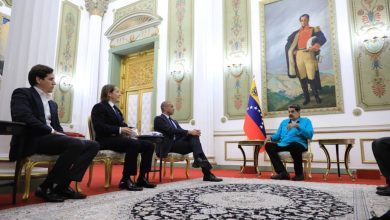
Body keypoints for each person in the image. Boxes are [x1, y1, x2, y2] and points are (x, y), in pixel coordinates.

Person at [10, 64, 99, 202]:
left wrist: (61, 134)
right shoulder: (22, 93)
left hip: (50, 139)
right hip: (32, 139)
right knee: (75, 143)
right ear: (39, 79)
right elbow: (24, 117)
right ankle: (46, 187)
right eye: (51, 79)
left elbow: (57, 126)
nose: (54, 82)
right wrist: (51, 131)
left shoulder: (53, 104)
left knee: (93, 145)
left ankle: (62, 185)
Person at [91, 84, 156, 191]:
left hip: (117, 139)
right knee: (133, 144)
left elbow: (122, 125)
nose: (120, 94)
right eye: (117, 92)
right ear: (109, 93)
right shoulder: (99, 107)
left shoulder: (116, 110)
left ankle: (142, 178)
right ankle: (125, 180)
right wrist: (120, 130)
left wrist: (132, 131)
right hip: (105, 140)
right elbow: (99, 127)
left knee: (149, 145)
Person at [153, 101, 222, 182]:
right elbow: (170, 130)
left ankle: (198, 160)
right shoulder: (158, 119)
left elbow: (181, 131)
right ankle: (206, 172)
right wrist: (189, 132)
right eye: (171, 106)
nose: (173, 108)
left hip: (176, 145)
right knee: (193, 139)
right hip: (167, 146)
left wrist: (193, 132)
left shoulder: (173, 121)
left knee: (194, 137)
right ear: (164, 108)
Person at [285, 14, 327, 105]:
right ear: (300, 21)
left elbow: (323, 39)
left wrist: (315, 47)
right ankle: (307, 98)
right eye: (301, 20)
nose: (303, 22)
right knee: (302, 78)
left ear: (308, 20)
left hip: (309, 55)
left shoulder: (315, 29)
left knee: (312, 77)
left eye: (305, 20)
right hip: (299, 56)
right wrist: (293, 50)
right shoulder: (296, 33)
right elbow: (289, 43)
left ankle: (316, 97)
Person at [265, 104, 313, 181]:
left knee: (294, 145)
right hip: (283, 144)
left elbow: (309, 135)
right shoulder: (284, 122)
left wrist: (298, 126)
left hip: (299, 144)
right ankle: (283, 173)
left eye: (292, 111)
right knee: (269, 145)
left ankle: (299, 174)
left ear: (298, 112)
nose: (290, 113)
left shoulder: (306, 121)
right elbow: (277, 135)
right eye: (289, 112)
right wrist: (270, 137)